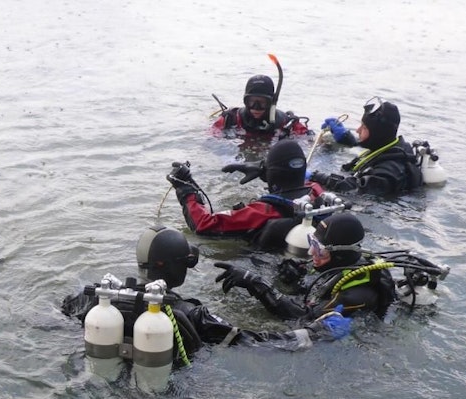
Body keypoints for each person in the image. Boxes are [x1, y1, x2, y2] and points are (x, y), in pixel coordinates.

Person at [61, 225, 351, 364]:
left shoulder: (98, 298)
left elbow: (55, 314)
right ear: (181, 267)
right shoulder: (191, 314)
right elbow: (259, 342)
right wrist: (315, 333)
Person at [213, 212, 397, 321]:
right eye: (312, 242)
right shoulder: (339, 268)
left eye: (319, 249)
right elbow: (311, 295)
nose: (311, 253)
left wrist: (255, 283)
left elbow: (303, 317)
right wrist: (293, 281)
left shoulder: (357, 294)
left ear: (341, 253)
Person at [168, 140, 328, 252]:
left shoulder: (262, 212)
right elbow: (295, 173)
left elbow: (203, 225)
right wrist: (262, 168)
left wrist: (185, 189)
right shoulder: (317, 192)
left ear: (273, 174)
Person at [308, 97, 423, 196]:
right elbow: (369, 143)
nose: (357, 130)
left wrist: (316, 176)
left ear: (377, 134)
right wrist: (345, 138)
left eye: (364, 127)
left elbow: (356, 189)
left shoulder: (390, 171)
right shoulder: (391, 148)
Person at [211, 74, 310, 140]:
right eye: (251, 102)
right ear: (245, 101)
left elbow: (310, 139)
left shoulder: (286, 123)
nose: (256, 107)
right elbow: (210, 137)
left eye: (263, 102)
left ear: (272, 102)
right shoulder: (230, 118)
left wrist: (324, 138)